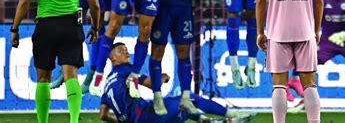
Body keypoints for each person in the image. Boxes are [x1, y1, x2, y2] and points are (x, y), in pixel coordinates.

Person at [10, 0, 101, 123]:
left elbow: (25, 0)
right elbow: (95, 5)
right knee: (72, 76)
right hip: (72, 25)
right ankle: (74, 120)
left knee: (43, 78)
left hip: (46, 26)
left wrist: (15, 29)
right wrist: (95, 27)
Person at [99, 42, 253, 123]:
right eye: (120, 50)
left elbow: (103, 116)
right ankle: (232, 114)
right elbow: (153, 85)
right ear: (112, 59)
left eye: (125, 49)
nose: (125, 52)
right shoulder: (126, 70)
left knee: (181, 115)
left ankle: (206, 120)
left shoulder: (106, 85)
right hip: (146, 115)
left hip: (140, 119)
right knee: (189, 100)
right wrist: (163, 78)